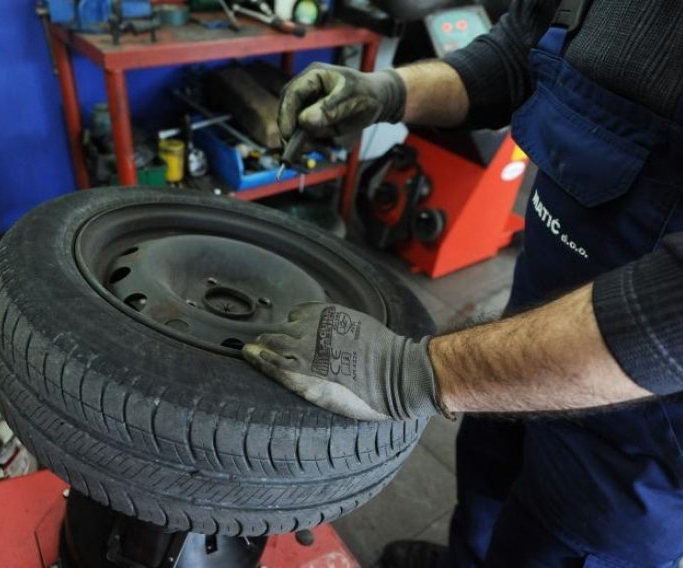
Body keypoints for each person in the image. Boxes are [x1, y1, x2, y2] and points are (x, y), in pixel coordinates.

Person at [241, 0, 683, 565]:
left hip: (642, 429)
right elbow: (519, 53)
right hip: (535, 320)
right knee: (488, 474)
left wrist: (410, 373)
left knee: (559, 541)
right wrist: (389, 92)